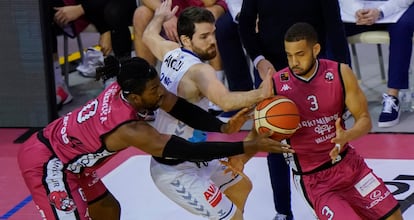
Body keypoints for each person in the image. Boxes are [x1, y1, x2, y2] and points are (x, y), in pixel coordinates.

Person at [18, 55, 292, 220]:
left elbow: (182, 108)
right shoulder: (129, 128)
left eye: (158, 84)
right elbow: (185, 150)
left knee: (108, 210)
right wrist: (248, 144)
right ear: (135, 97)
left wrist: (221, 128)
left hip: (76, 159)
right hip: (49, 163)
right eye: (154, 90)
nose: (161, 93)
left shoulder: (134, 88)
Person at [142, 1, 278, 219]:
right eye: (204, 37)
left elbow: (148, 35)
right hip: (174, 170)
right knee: (232, 216)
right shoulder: (200, 71)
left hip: (192, 155)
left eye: (213, 33)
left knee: (241, 186)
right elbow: (224, 102)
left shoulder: (171, 51)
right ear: (186, 39)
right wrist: (261, 94)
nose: (213, 41)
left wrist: (160, 16)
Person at [272, 22, 402, 220]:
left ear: (315, 49)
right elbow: (260, 130)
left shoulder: (340, 73)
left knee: (395, 218)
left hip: (350, 166)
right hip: (315, 180)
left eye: (300, 54)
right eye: (289, 55)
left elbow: (365, 120)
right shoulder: (276, 84)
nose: (293, 62)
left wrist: (348, 135)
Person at [238, 1, 351, 219]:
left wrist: (343, 75)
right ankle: (282, 211)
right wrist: (259, 61)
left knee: (324, 135)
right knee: (273, 140)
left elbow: (335, 27)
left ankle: (335, 201)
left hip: (313, 67)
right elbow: (245, 25)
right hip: (271, 68)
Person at [339, 0, 414, 128]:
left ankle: (393, 96)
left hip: (396, 7)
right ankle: (345, 95)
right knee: (331, 26)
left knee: (403, 26)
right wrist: (358, 10)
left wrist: (381, 11)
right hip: (357, 12)